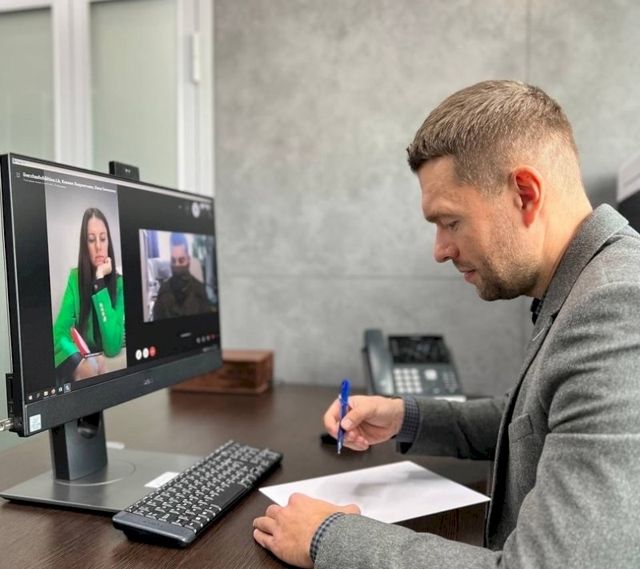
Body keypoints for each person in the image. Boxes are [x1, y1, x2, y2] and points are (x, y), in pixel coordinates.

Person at [252, 80, 640, 568]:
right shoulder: (585, 284)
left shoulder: (617, 306)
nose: (440, 250)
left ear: (525, 193)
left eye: (450, 222)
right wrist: (407, 417)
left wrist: (326, 537)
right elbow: (536, 419)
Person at [53, 207, 124, 381]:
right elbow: (59, 333)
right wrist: (77, 362)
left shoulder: (120, 283)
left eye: (103, 239)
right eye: (91, 240)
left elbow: (112, 347)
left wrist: (99, 281)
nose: (98, 246)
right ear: (85, 245)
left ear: (108, 243)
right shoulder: (74, 278)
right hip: (85, 367)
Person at [152, 232, 212, 320]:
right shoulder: (163, 291)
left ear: (188, 260)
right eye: (173, 261)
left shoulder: (199, 290)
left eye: (181, 260)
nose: (177, 265)